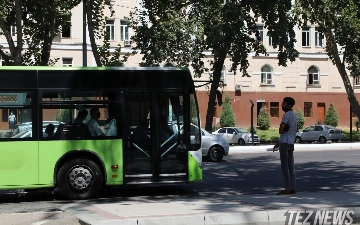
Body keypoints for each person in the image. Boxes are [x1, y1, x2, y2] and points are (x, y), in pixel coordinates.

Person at [273, 97, 297, 195]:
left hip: (285, 144)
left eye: (284, 103)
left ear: (289, 105)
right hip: (291, 143)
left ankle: (287, 189)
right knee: (291, 166)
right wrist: (279, 142)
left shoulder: (286, 115)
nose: (281, 105)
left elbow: (281, 130)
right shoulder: (294, 115)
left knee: (284, 167)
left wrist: (282, 128)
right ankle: (292, 187)